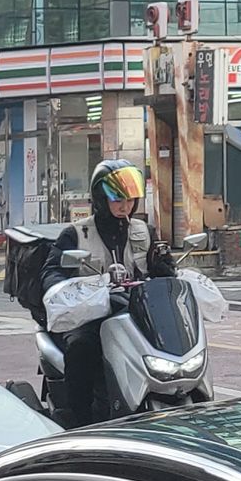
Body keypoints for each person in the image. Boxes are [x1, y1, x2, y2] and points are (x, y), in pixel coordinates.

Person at [42, 158, 163, 426]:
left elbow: (158, 270)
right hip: (90, 317)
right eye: (117, 199)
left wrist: (166, 268)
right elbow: (51, 272)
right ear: (100, 198)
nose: (125, 206)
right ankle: (81, 421)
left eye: (130, 200)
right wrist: (65, 286)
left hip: (136, 313)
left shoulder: (144, 232)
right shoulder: (76, 234)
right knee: (81, 347)